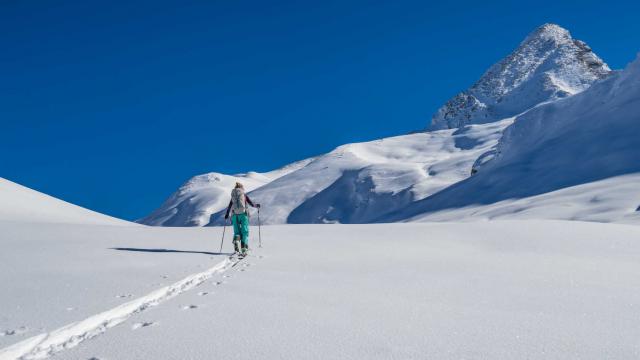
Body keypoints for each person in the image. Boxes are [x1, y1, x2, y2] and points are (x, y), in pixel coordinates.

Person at [224, 182, 260, 255]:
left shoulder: (233, 196)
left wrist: (227, 214)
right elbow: (251, 204)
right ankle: (244, 248)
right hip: (243, 214)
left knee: (237, 232)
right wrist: (257, 205)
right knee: (244, 232)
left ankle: (236, 243)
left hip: (234, 215)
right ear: (241, 188)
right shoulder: (243, 195)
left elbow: (230, 206)